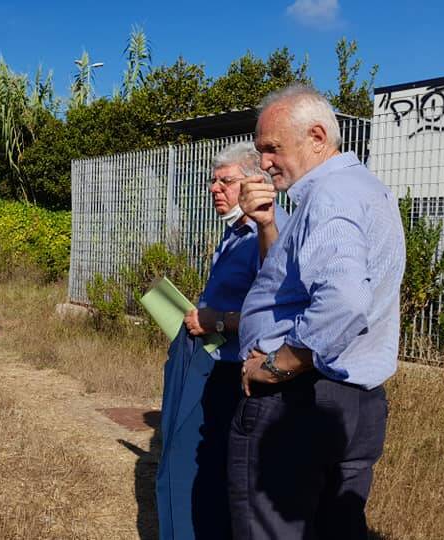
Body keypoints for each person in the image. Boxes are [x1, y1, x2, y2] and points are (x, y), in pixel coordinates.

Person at [232, 84, 405, 539]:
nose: (265, 162)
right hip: (356, 404)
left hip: (300, 405)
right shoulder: (369, 190)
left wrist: (278, 364)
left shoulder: (329, 196)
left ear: (316, 136)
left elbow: (345, 301)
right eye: (260, 150)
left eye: (272, 148)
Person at [156, 142, 287, 540]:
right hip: (211, 360)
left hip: (234, 369)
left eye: (226, 181)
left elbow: (278, 308)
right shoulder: (235, 233)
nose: (215, 188)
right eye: (213, 180)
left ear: (255, 183)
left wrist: (220, 321)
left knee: (203, 468)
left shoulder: (266, 234)